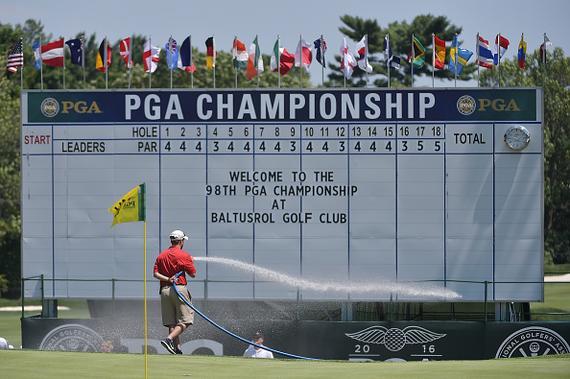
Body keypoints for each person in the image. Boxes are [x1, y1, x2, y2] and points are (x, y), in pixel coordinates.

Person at [153, 229, 197, 355]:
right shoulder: (184, 255)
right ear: (181, 241)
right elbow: (193, 274)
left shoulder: (161, 256)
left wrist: (167, 278)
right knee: (186, 320)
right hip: (179, 289)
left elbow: (155, 274)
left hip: (165, 291)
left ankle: (177, 349)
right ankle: (169, 339)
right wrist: (189, 262)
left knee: (172, 322)